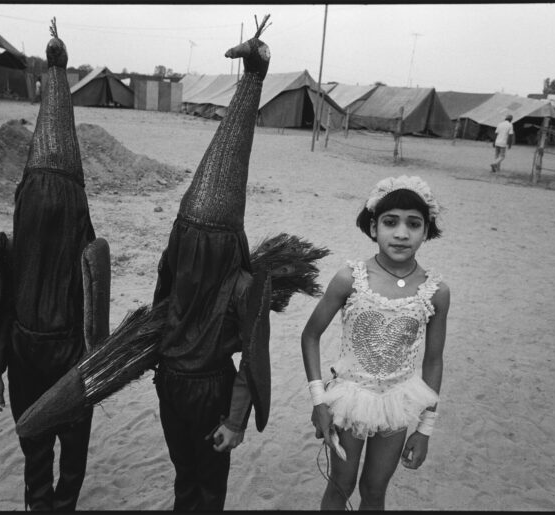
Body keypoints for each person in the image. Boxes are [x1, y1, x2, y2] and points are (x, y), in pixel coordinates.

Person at [0, 19, 110, 511]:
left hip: (71, 363)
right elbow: (0, 312)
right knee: (36, 451)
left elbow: (95, 330)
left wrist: (92, 370)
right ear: (23, 206)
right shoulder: (12, 254)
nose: (49, 214)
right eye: (38, 205)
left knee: (71, 456)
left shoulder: (89, 256)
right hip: (26, 362)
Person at [151, 18, 273, 511]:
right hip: (171, 385)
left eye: (207, 244)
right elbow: (159, 310)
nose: (194, 250)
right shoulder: (173, 260)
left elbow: (252, 355)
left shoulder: (245, 287)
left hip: (213, 391)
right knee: (185, 477)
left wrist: (236, 420)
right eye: (189, 240)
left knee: (209, 486)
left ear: (228, 245)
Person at [301, 175, 450, 510]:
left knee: (374, 490)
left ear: (426, 231)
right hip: (349, 399)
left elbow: (434, 360)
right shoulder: (349, 279)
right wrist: (318, 400)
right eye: (390, 222)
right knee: (340, 484)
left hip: (397, 401)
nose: (401, 233)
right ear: (373, 228)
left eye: (413, 224)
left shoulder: (436, 291)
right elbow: (310, 334)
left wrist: (425, 428)